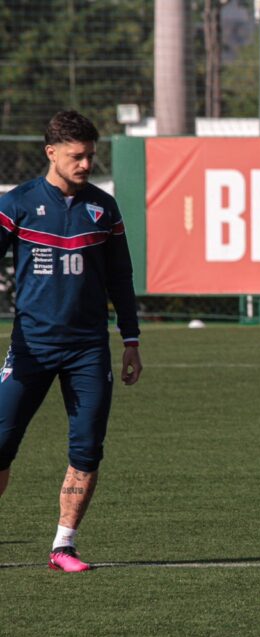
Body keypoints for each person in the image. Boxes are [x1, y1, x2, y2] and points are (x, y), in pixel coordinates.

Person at [0, 110, 142, 572]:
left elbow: (121, 277)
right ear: (52, 153)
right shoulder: (17, 204)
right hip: (31, 348)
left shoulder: (104, 208)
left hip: (88, 350)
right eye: (76, 157)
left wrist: (131, 341)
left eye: (90, 156)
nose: (85, 164)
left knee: (86, 447)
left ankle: (64, 546)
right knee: (1, 444)